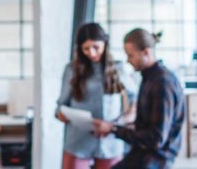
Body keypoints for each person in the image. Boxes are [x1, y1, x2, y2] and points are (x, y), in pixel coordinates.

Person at [92, 28, 186, 169]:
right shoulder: (148, 78)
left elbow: (156, 139)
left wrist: (114, 130)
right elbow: (146, 127)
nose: (128, 61)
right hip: (141, 155)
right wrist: (116, 127)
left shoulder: (162, 83)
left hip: (155, 160)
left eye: (130, 55)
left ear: (146, 52)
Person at [56, 23, 136, 169]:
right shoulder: (71, 70)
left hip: (111, 141)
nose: (91, 53)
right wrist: (61, 114)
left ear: (105, 44)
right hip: (78, 141)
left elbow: (135, 99)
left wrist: (118, 123)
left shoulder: (119, 69)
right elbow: (61, 105)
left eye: (96, 47)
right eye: (86, 48)